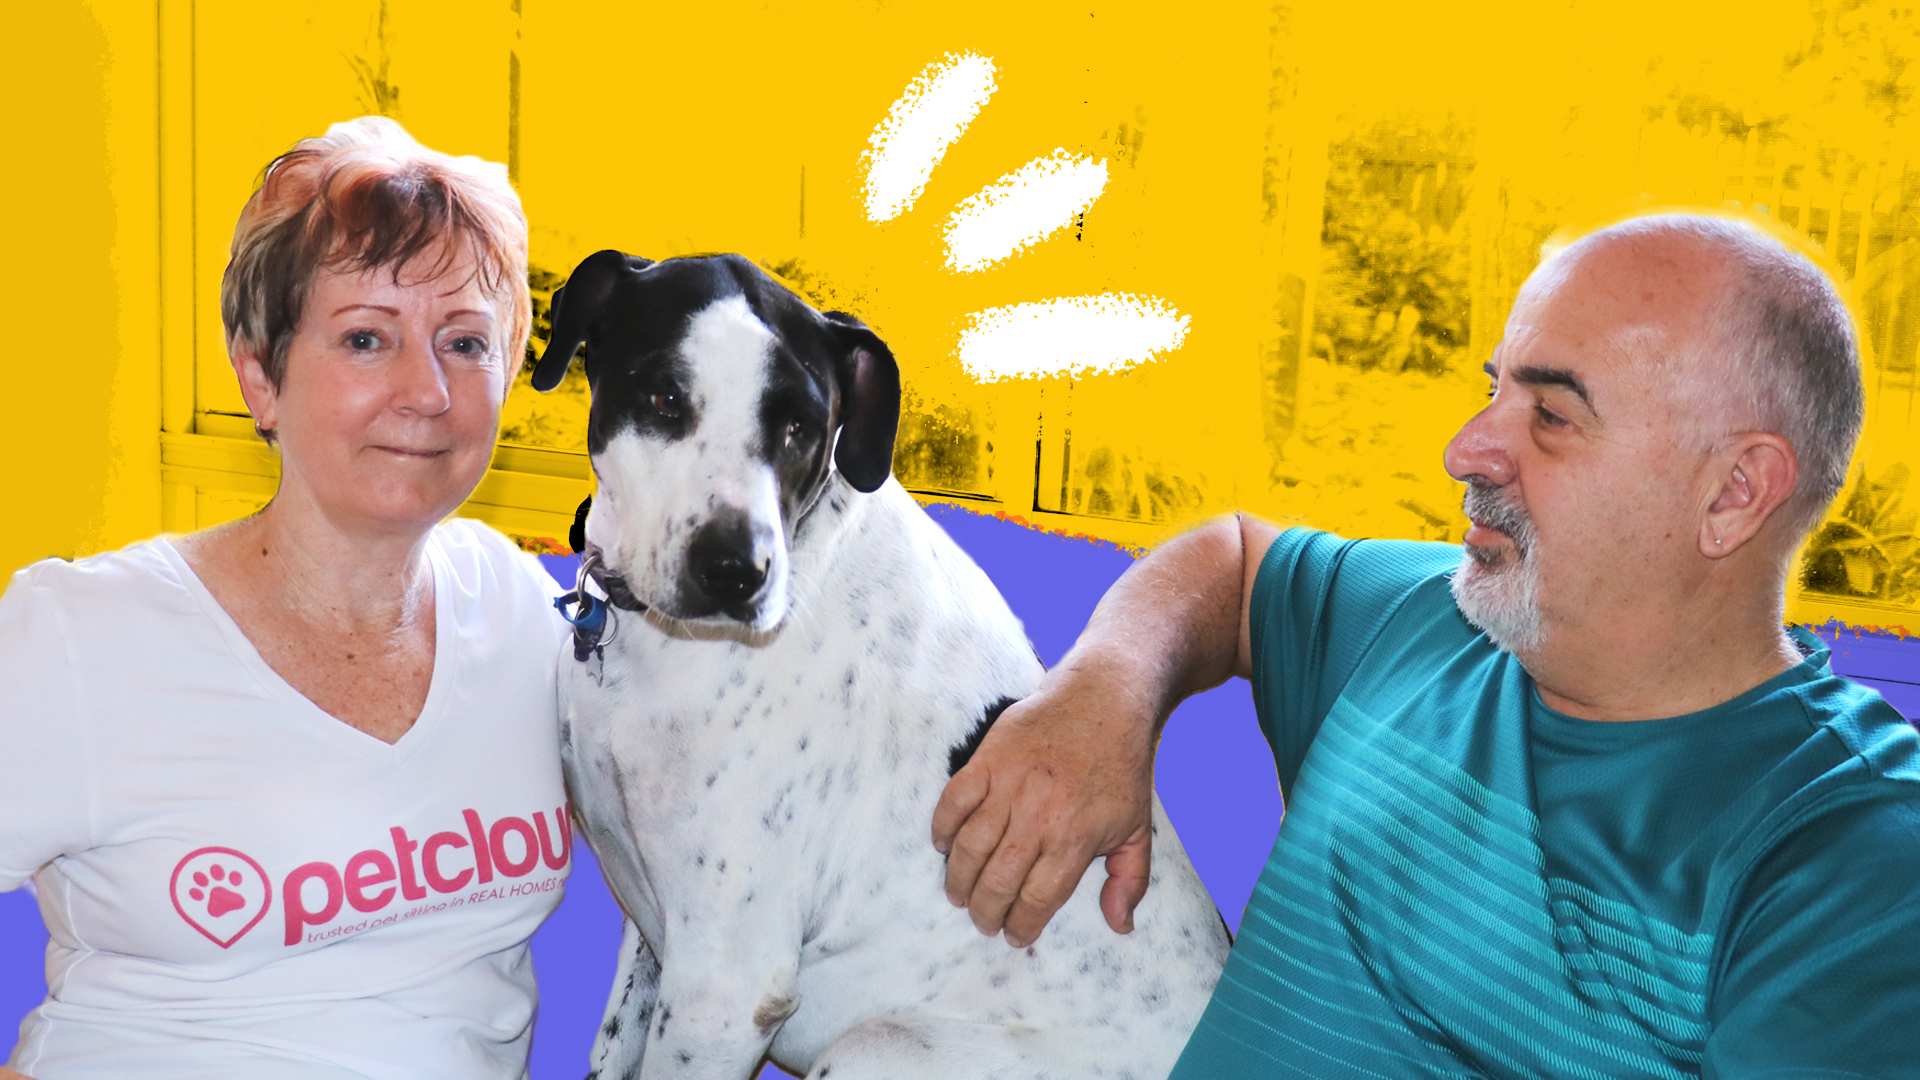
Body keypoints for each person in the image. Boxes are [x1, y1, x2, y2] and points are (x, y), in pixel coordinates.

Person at [933, 213, 1920, 1075]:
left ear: (1734, 493)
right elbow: (1233, 562)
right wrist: (1105, 689)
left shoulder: (1850, 860)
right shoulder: (1435, 621)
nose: (1468, 449)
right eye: (1493, 391)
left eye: (1551, 415)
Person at [1, 117, 572, 1078]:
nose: (427, 391)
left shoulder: (529, 614)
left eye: (466, 343)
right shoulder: (81, 637)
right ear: (259, 374)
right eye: (365, 338)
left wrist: (925, 794)